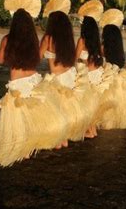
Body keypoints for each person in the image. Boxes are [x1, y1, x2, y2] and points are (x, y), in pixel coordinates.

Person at [0, 9, 67, 166]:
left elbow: (0, 60)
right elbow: (36, 59)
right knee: (35, 116)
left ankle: (25, 149)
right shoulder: (33, 40)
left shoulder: (7, 39)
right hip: (34, 80)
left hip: (18, 83)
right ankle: (39, 143)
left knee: (20, 119)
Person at [39, 11, 97, 144]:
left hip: (58, 77)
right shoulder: (68, 38)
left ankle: (62, 139)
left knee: (57, 109)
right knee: (73, 107)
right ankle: (78, 132)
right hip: (70, 74)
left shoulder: (48, 38)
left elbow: (37, 57)